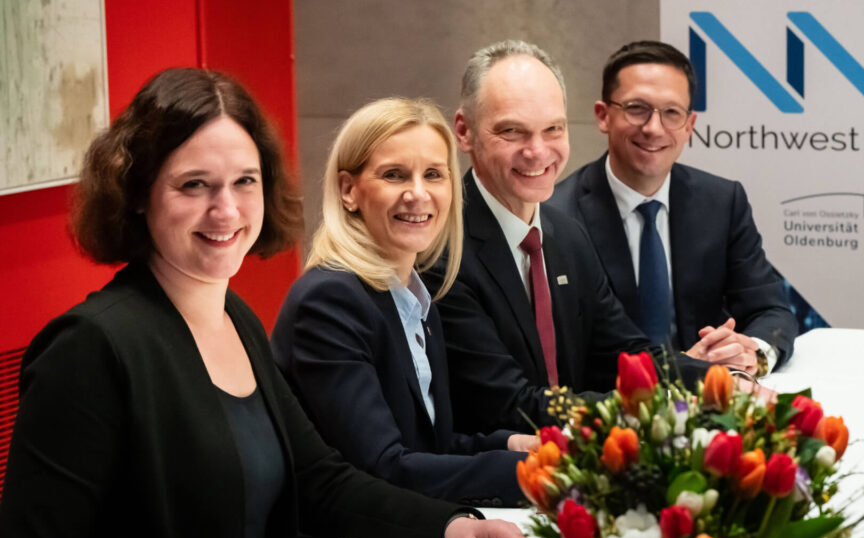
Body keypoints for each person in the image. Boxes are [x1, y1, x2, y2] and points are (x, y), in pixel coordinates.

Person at [0, 68, 524, 538]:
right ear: (138, 194)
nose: (226, 210)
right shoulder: (89, 347)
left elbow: (320, 479)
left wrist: (451, 527)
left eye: (244, 181)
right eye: (194, 185)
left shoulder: (235, 318)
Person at [426, 40, 708, 435]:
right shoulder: (440, 250)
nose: (538, 152)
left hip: (577, 464)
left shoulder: (565, 234)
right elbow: (512, 404)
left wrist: (720, 382)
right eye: (512, 131)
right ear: (464, 131)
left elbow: (626, 354)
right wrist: (673, 406)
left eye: (553, 129)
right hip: (499, 484)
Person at [271, 98, 535, 508]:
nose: (418, 194)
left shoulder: (414, 297)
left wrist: (516, 443)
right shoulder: (329, 301)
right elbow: (381, 467)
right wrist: (529, 473)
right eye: (395, 175)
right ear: (348, 190)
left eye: (433, 174)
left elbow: (430, 446)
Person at [550, 41, 797, 375]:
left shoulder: (722, 202)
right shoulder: (556, 216)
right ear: (603, 116)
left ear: (689, 126)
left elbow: (771, 310)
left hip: (714, 402)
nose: (654, 128)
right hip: (612, 406)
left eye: (671, 113)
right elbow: (567, 351)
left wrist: (755, 353)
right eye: (637, 108)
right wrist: (683, 370)